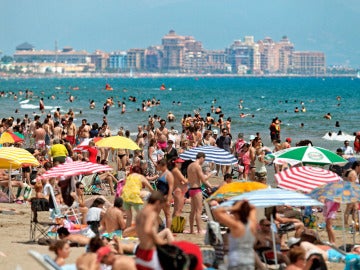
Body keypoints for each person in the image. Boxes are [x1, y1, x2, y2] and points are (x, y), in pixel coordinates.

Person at [213, 200, 257, 270]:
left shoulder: (236, 226)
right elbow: (253, 208)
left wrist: (234, 207)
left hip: (236, 260)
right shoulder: (253, 224)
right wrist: (245, 205)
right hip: (249, 260)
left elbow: (217, 211)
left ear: (236, 212)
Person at [135, 191, 168, 270]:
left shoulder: (140, 212)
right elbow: (148, 229)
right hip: (149, 253)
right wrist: (161, 243)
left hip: (140, 252)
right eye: (161, 205)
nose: (160, 208)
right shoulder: (152, 213)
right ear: (157, 202)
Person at [187, 152, 213, 234]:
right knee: (198, 210)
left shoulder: (190, 165)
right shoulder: (197, 166)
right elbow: (203, 180)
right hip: (197, 190)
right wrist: (211, 187)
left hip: (191, 189)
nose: (203, 162)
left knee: (192, 211)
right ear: (201, 157)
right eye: (203, 159)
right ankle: (199, 229)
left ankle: (191, 230)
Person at [156, 159, 174, 228]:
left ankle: (168, 230)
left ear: (163, 165)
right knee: (155, 213)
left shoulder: (168, 174)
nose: (157, 166)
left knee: (167, 214)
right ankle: (160, 226)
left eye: (159, 165)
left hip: (165, 197)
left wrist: (169, 199)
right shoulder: (162, 173)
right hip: (159, 197)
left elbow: (171, 187)